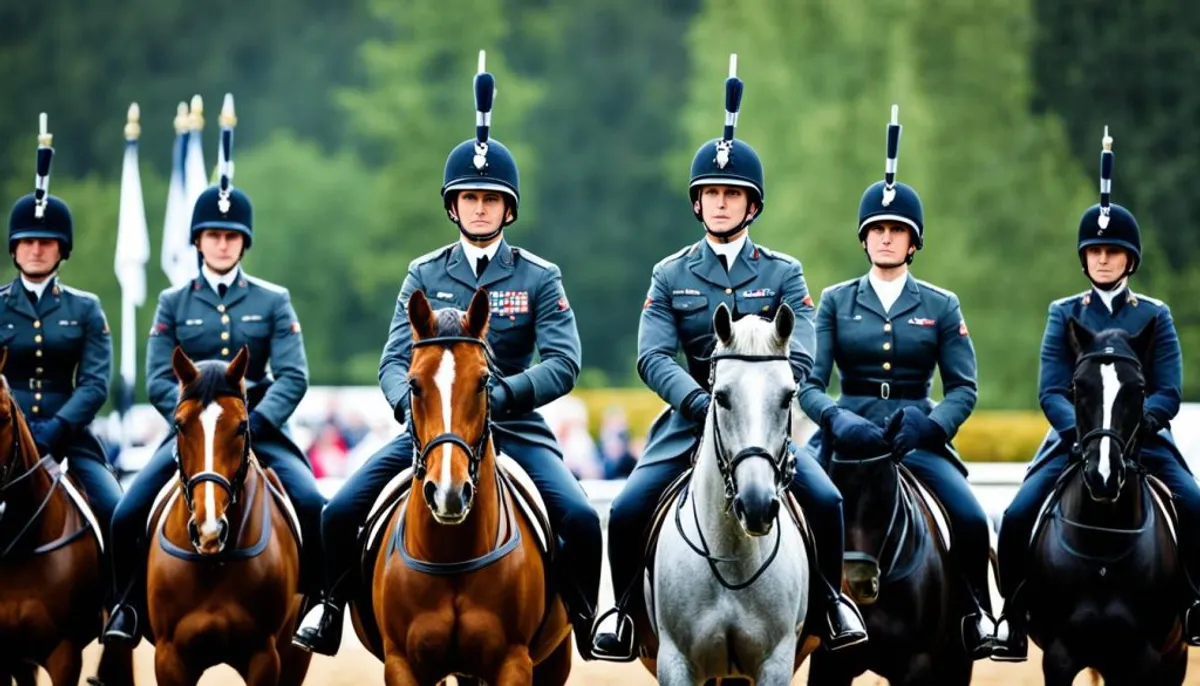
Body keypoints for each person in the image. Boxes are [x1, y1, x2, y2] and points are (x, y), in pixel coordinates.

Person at [292, 54, 603, 660]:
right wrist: (410, 410)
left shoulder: (540, 276)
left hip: (512, 426)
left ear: (507, 209)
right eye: (469, 198)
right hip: (433, 430)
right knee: (337, 512)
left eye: (491, 198)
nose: (480, 207)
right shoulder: (423, 273)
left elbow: (565, 361)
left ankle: (589, 621)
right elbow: (390, 360)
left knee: (581, 518)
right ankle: (328, 610)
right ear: (452, 206)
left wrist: (503, 394)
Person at [592, 55, 866, 661]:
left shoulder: (783, 272)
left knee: (826, 500)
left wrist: (770, 395)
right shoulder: (670, 274)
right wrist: (695, 400)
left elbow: (807, 350)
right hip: (691, 418)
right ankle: (622, 613)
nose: (720, 202)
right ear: (697, 202)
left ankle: (829, 602)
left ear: (751, 204)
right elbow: (652, 353)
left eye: (732, 193)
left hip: (763, 427)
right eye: (711, 193)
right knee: (632, 504)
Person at [103, 95, 326, 644]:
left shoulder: (274, 301)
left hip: (260, 431)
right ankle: (127, 609)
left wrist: (253, 423)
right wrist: (189, 420)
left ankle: (322, 604)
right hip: (191, 435)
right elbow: (160, 376)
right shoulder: (173, 303)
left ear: (242, 242)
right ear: (198, 240)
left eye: (230, 236)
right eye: (212, 235)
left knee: (316, 506)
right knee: (128, 513)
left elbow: (294, 375)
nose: (221, 243)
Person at [992, 128, 1200, 660]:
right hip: (1076, 437)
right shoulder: (1065, 314)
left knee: (1196, 503)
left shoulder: (1153, 315)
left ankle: (1195, 606)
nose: (1103, 259)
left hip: (1140, 439)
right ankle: (1013, 620)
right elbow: (1051, 390)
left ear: (1130, 260)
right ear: (1083, 258)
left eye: (1113, 252)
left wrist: (1130, 432)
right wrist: (1085, 435)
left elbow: (1169, 391)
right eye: (1095, 251)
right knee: (1016, 516)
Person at [799, 105, 995, 659]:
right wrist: (836, 418)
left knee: (970, 516)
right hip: (846, 436)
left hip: (914, 434)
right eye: (877, 230)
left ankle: (975, 614)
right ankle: (809, 612)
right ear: (864, 239)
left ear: (913, 242)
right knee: (798, 501)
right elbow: (811, 382)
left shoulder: (940, 304)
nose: (886, 238)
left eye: (896, 231)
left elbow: (964, 388)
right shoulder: (836, 300)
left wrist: (931, 427)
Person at [1, 113, 122, 595]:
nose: (36, 250)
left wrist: (58, 427)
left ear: (61, 250)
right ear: (14, 248)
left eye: (46, 242)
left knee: (117, 511)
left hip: (66, 434)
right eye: (27, 242)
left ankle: (120, 610)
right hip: (1, 433)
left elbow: (95, 382)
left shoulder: (85, 308)